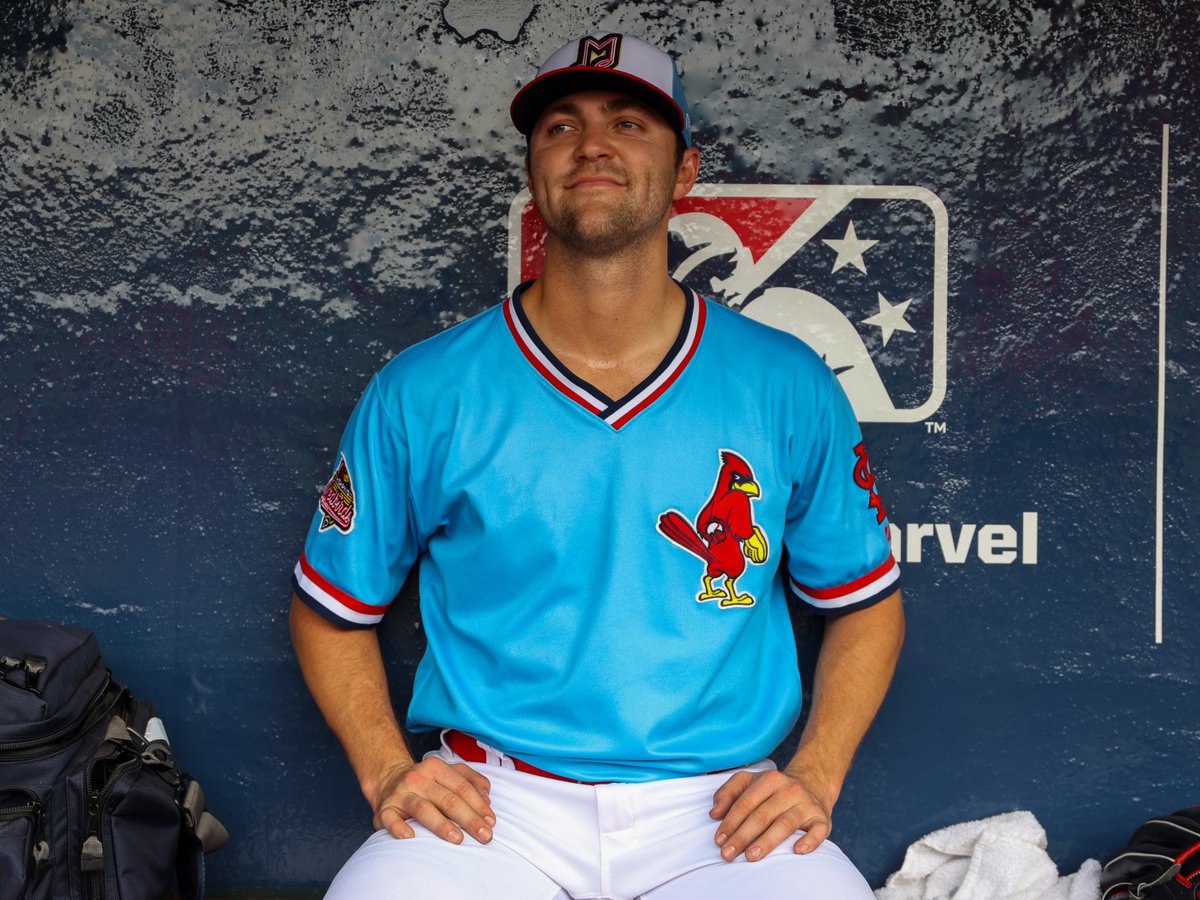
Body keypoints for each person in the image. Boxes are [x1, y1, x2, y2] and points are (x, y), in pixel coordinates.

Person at [289, 31, 904, 899]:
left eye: (629, 122)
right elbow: (329, 610)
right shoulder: (425, 389)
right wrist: (388, 768)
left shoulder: (784, 382)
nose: (593, 146)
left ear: (685, 169)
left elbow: (867, 607)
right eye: (560, 127)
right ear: (534, 168)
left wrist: (817, 775)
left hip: (715, 807)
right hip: (494, 802)